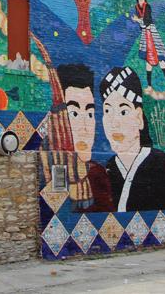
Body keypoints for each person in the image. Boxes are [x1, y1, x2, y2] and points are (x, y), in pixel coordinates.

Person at [100, 66, 165, 211]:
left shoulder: (157, 161)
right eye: (107, 111)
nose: (114, 122)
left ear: (139, 118)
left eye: (123, 111)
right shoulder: (110, 167)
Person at [43, 63, 114, 212]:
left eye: (90, 114)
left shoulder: (98, 174)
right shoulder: (46, 167)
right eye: (74, 114)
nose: (85, 127)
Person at [131, 0, 165, 89]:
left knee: (160, 58)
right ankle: (149, 86)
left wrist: (138, 20)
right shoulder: (137, 7)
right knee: (148, 59)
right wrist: (139, 21)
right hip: (145, 34)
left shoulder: (147, 6)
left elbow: (147, 22)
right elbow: (143, 24)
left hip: (152, 33)